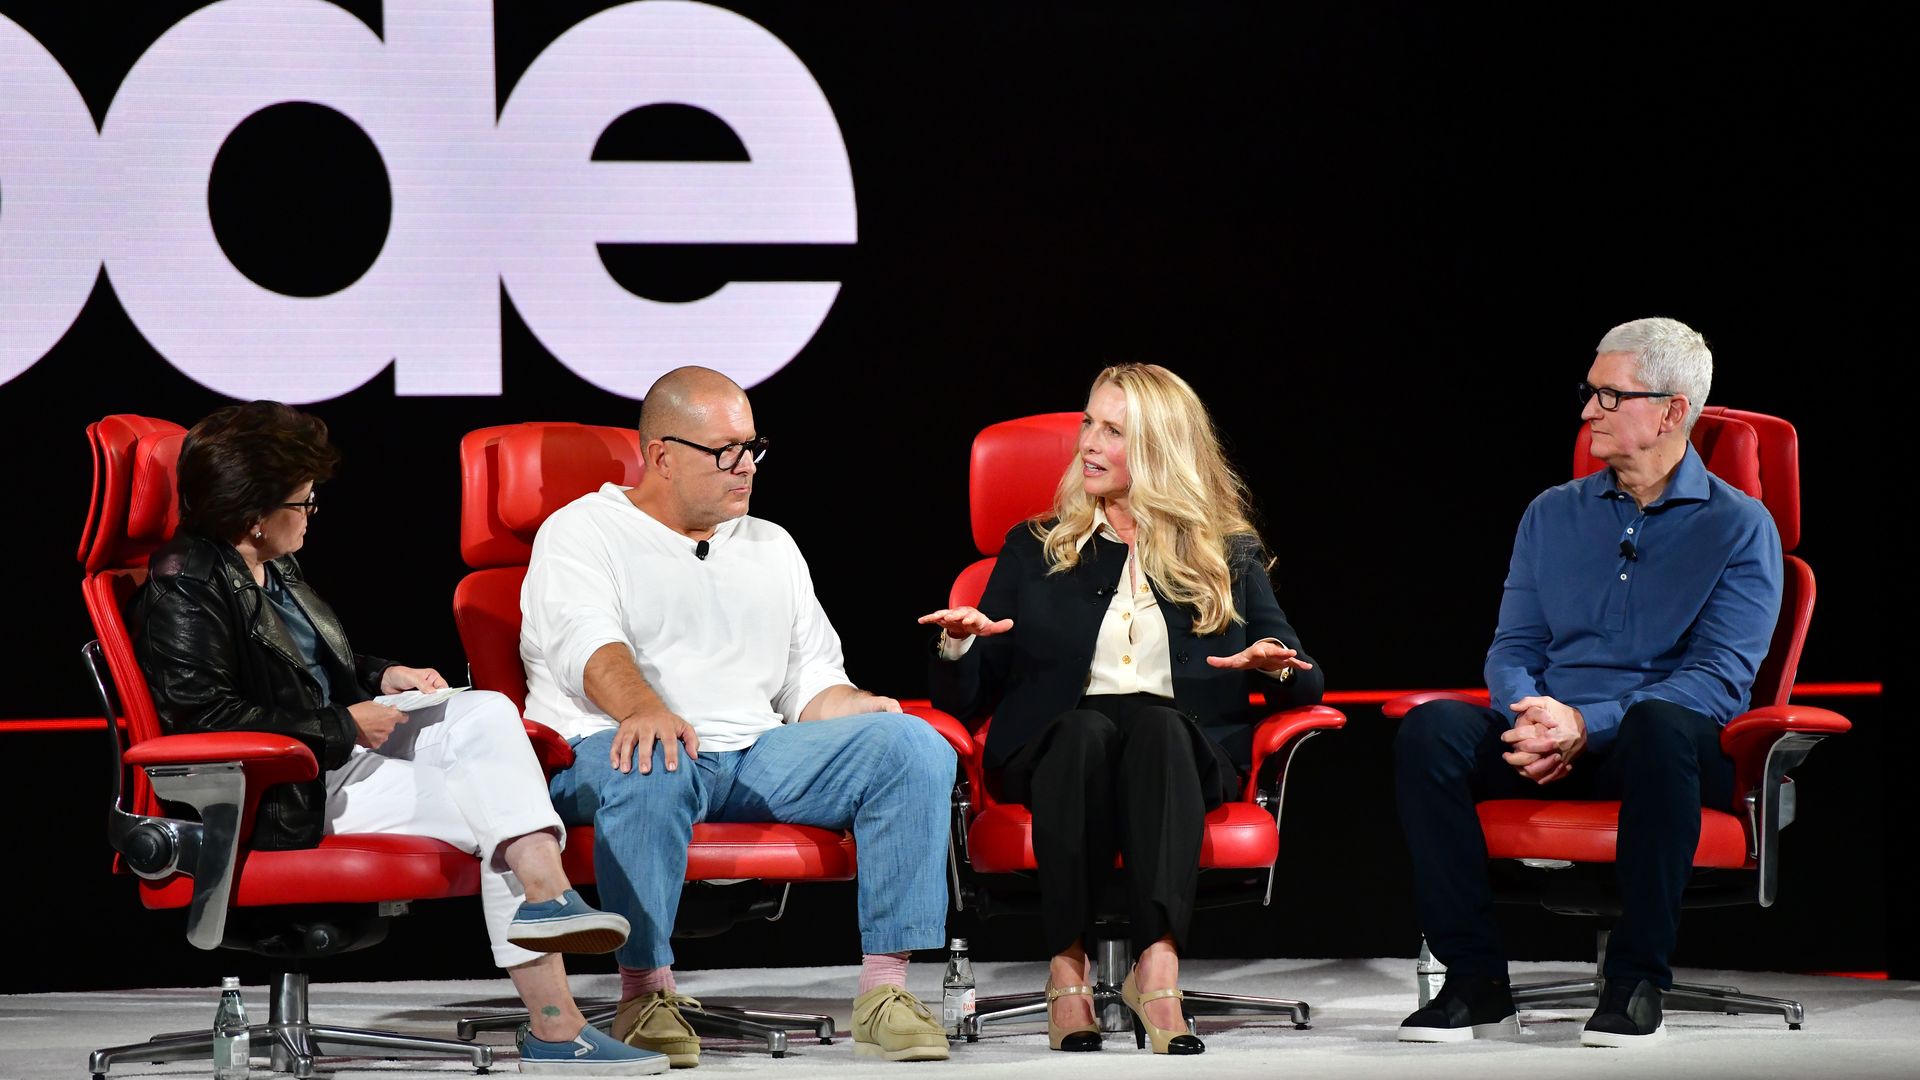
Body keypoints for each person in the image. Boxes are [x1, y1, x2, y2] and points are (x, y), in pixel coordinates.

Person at [129, 402, 661, 1075]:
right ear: (253, 512)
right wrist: (342, 724)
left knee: (494, 769)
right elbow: (199, 715)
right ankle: (549, 926)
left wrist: (385, 676)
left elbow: (309, 667)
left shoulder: (273, 565)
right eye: (303, 501)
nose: (311, 512)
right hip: (273, 795)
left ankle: (555, 992)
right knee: (495, 788)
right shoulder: (188, 579)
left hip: (327, 770)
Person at [521, 366, 958, 1066]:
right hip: (608, 744)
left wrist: (860, 709)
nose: (746, 466)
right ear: (661, 455)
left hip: (752, 753)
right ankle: (645, 991)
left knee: (911, 745)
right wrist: (645, 710)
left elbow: (810, 681)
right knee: (651, 758)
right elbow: (586, 647)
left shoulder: (769, 545)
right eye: (725, 451)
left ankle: (885, 992)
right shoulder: (581, 532)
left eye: (753, 447)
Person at [1394, 317, 1784, 1047]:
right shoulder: (1550, 514)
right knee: (1433, 730)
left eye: (1609, 396)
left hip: (1661, 752)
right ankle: (1475, 983)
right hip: (1550, 738)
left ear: (1672, 410)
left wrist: (1587, 723)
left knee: (1662, 724)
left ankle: (1637, 984)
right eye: (1589, 393)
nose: (1586, 412)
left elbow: (1718, 681)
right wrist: (1533, 715)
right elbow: (1514, 644)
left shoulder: (1741, 527)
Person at [920, 363, 1324, 1055]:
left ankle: (1157, 969)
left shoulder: (1225, 552)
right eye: (1088, 423)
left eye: (1113, 430)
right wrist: (959, 647)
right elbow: (965, 697)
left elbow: (1303, 679)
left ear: (1162, 447)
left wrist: (1277, 664)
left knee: (1159, 727)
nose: (1088, 444)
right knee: (1083, 730)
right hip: (1056, 748)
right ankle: (1066, 968)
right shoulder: (1033, 545)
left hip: (1180, 750)